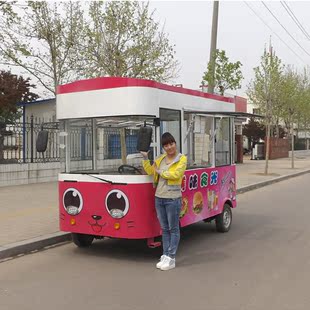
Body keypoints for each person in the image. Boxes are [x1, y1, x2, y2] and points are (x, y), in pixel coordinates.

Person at [141, 132, 187, 271]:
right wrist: (145, 158)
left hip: (173, 199)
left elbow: (176, 174)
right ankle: (165, 255)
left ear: (175, 144)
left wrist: (160, 172)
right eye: (166, 145)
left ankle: (171, 257)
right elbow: (151, 171)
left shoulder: (181, 159)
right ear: (163, 147)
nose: (169, 147)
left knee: (173, 229)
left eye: (171, 143)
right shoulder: (160, 159)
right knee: (165, 229)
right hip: (159, 197)